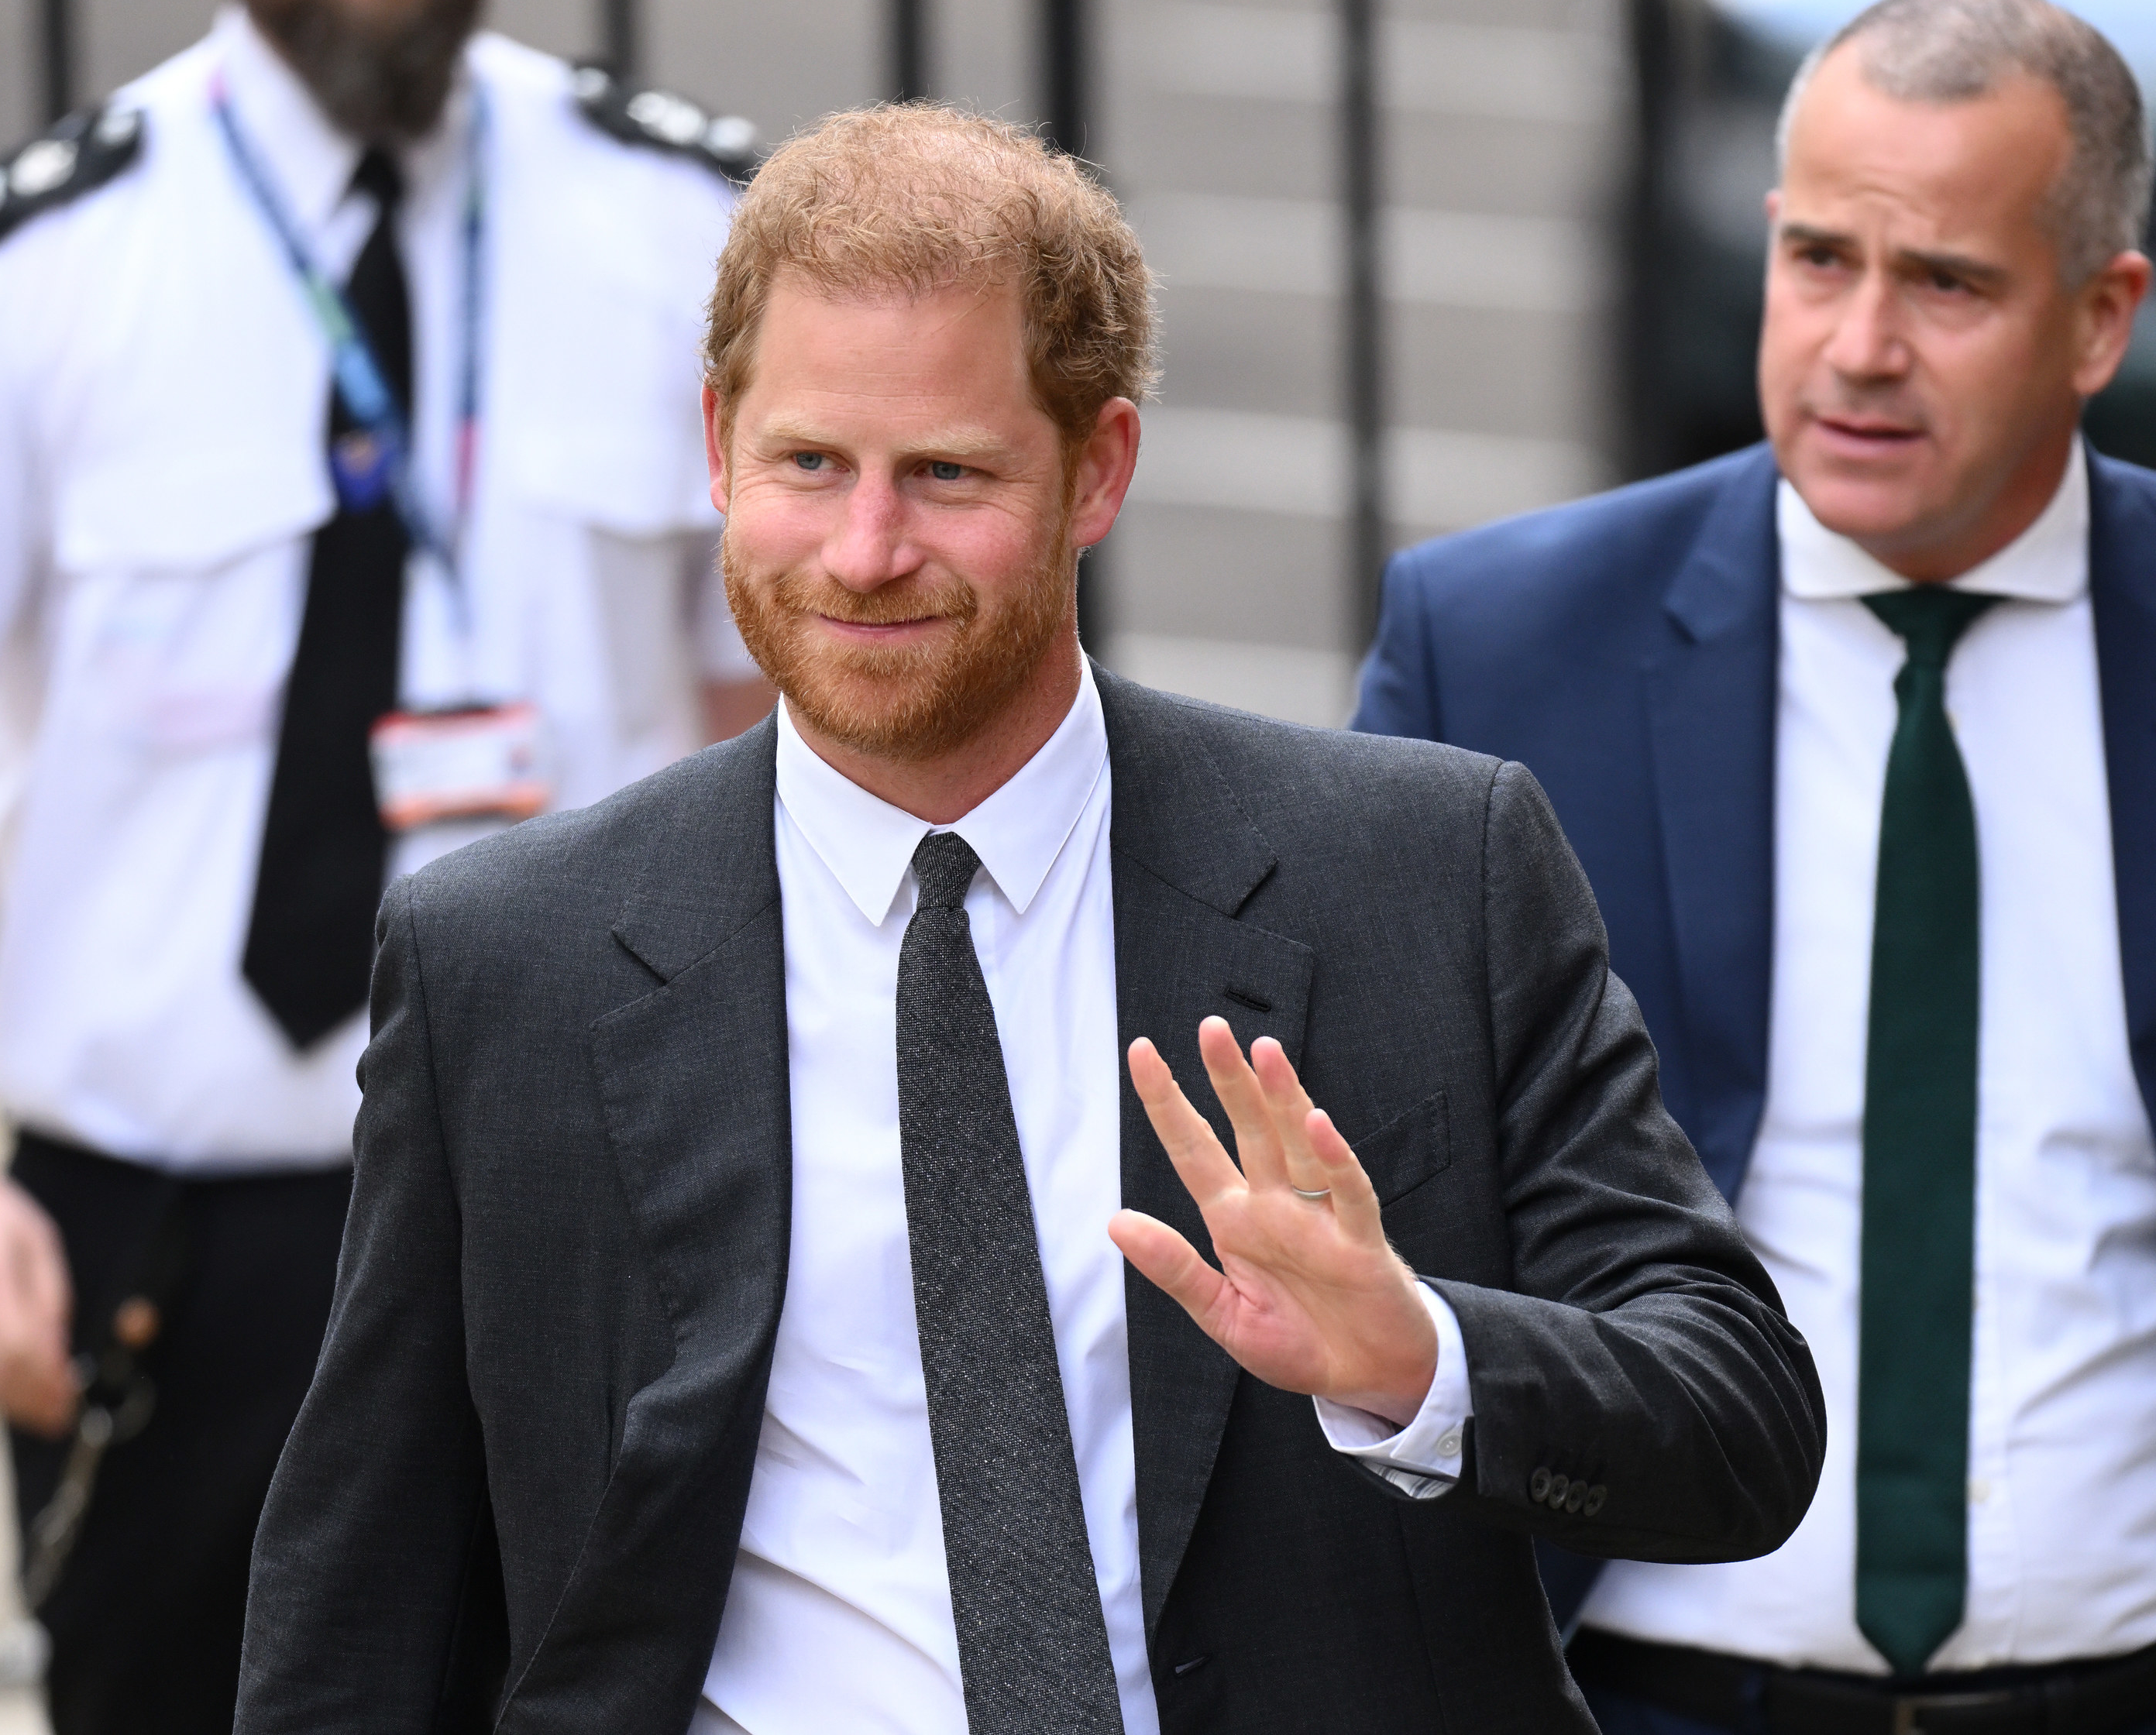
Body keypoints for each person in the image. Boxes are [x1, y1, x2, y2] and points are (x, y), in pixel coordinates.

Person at [235, 101, 1822, 1735]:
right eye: (808, 463)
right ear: (717, 444)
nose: (864, 549)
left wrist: (1415, 1356)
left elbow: (1739, 1419)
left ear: (1098, 469)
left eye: (945, 472)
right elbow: (362, 1596)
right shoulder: (508, 958)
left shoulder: (1427, 873)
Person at [0, 0, 772, 1728]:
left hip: (590, 1203)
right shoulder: (23, 267)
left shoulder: (686, 229)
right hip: (169, 1257)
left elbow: (769, 727)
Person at [1353, 0, 2156, 1730]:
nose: (1861, 342)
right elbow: (1376, 1194)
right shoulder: (1500, 651)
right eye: (1815, 260)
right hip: (1629, 1691)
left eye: (1945, 280)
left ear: (2103, 318)